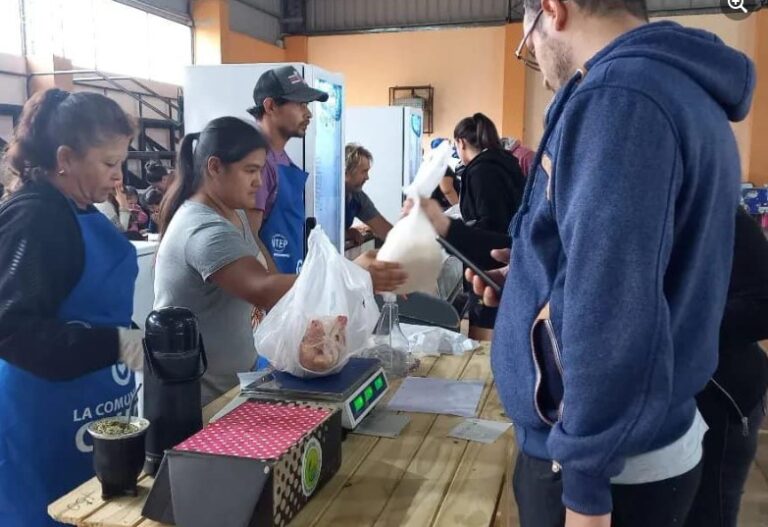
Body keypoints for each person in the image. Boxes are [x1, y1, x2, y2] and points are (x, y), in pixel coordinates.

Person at [467, 1, 755, 526]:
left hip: (605, 468)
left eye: (529, 33)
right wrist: (531, 281)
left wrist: (585, 489)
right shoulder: (675, 86)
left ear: (554, 9)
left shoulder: (619, 99)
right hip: (639, 439)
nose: (531, 48)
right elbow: (639, 263)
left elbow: (610, 308)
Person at [154, 117, 406, 406]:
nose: (259, 182)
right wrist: (351, 274)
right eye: (250, 171)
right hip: (201, 400)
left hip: (237, 385)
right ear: (214, 167)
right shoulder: (203, 229)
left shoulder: (235, 216)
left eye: (261, 170)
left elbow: (275, 291)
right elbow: (261, 287)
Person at [0, 89, 145, 526]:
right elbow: (12, 330)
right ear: (65, 157)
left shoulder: (82, 208)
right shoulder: (35, 218)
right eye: (109, 163)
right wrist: (116, 344)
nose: (119, 176)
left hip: (93, 411)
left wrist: (137, 335)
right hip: (43, 418)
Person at [685, 208, 768, 527]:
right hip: (663, 412)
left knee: (710, 512)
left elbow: (762, 305)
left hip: (724, 402)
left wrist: (682, 327)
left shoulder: (721, 216)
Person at [245, 66, 328, 274]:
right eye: (300, 104)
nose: (308, 113)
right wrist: (278, 290)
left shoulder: (281, 159)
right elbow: (248, 241)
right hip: (271, 297)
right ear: (271, 106)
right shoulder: (258, 163)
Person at [452, 113, 525, 340]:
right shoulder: (506, 162)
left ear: (461, 143)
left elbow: (490, 222)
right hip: (511, 255)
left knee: (485, 323)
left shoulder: (481, 171)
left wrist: (456, 232)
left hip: (490, 263)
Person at [344, 143, 393, 245]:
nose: (367, 177)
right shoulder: (327, 196)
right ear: (346, 173)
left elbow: (384, 230)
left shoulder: (357, 197)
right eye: (364, 172)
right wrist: (347, 233)